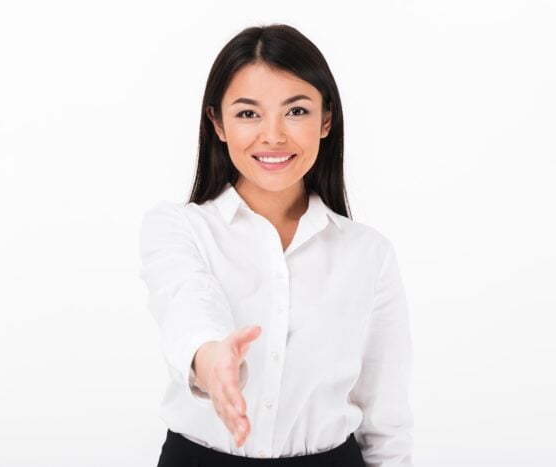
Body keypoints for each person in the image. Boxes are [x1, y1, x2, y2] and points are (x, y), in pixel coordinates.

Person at [139, 23, 414, 467]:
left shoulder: (369, 254)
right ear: (218, 123)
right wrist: (212, 361)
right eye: (248, 113)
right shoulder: (178, 228)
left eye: (296, 111)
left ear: (326, 120)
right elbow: (187, 302)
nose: (272, 135)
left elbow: (386, 422)